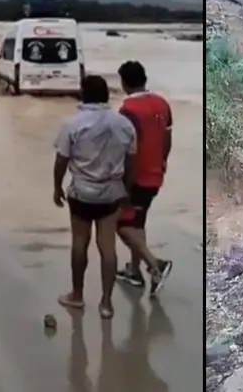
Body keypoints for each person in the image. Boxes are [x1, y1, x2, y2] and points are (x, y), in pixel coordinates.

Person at [53, 75, 136, 319]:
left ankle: (77, 296)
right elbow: (131, 161)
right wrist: (127, 190)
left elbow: (61, 160)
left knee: (80, 243)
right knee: (107, 246)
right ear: (107, 95)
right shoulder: (123, 124)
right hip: (111, 193)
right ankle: (107, 304)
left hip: (81, 192)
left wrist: (56, 187)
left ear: (82, 94)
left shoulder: (72, 123)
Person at [114, 61, 174, 296]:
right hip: (156, 174)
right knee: (137, 222)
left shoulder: (127, 112)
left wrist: (122, 182)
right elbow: (167, 139)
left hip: (136, 178)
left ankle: (155, 264)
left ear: (124, 83)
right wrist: (163, 162)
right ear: (144, 78)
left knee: (121, 224)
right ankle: (134, 271)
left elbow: (126, 151)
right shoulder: (162, 103)